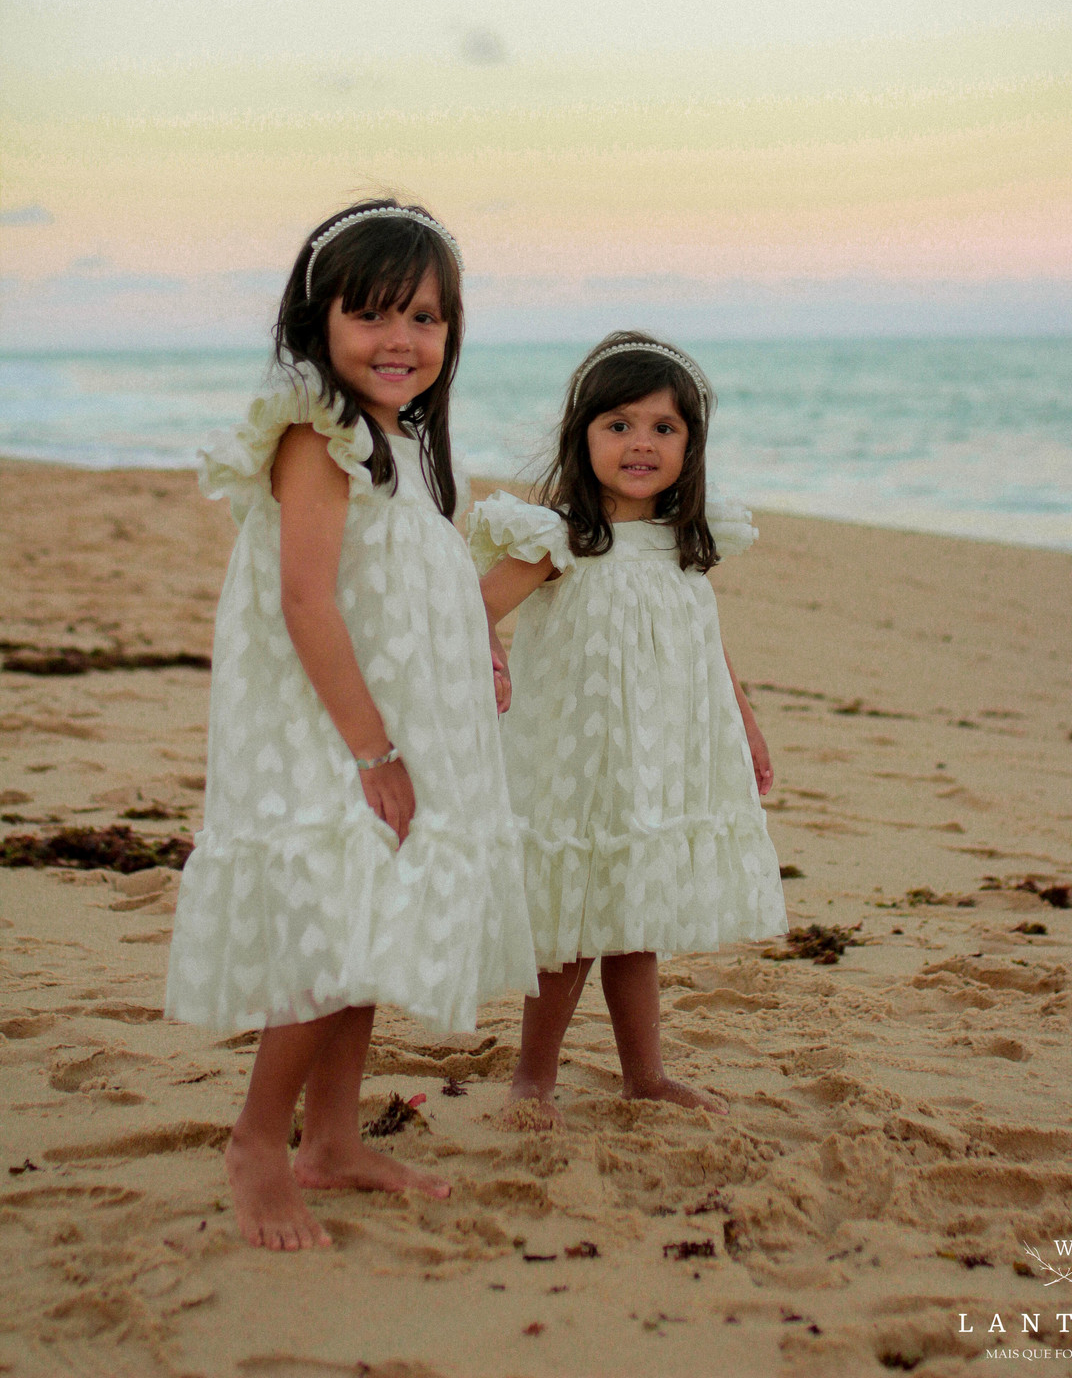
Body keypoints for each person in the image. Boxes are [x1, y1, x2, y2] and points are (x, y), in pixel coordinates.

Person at [165, 200, 536, 1251]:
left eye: (423, 318)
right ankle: (255, 1140)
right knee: (339, 920)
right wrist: (373, 752)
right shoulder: (316, 435)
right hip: (327, 721)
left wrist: (484, 645)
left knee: (378, 913)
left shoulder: (407, 446)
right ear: (316, 321)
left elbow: (422, 579)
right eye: (371, 315)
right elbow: (308, 602)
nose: (400, 340)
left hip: (402, 710)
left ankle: (332, 1138)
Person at [469, 330, 787, 1125]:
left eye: (663, 427)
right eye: (619, 425)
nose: (641, 443)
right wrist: (492, 660)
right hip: (578, 756)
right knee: (575, 921)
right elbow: (470, 610)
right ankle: (532, 1079)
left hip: (657, 753)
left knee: (634, 915)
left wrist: (743, 723)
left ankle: (645, 1076)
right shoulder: (561, 538)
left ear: (691, 444)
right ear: (584, 437)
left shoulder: (686, 541)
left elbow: (706, 642)